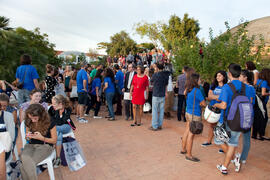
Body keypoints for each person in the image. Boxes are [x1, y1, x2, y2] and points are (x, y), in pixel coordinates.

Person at [214, 64, 253, 175]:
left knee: (218, 140)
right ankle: (228, 163)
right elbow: (250, 101)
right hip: (241, 120)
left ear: (229, 74)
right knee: (232, 143)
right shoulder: (247, 87)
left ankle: (230, 161)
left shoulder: (227, 87)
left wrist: (216, 105)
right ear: (239, 73)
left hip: (228, 119)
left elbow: (224, 105)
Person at [20, 104, 57, 180]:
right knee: (24, 158)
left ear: (41, 116)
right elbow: (27, 137)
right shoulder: (28, 120)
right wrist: (28, 137)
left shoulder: (50, 121)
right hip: (31, 145)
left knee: (25, 164)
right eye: (31, 118)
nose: (32, 120)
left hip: (46, 146)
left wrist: (42, 138)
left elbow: (54, 140)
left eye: (35, 118)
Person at [181, 73, 206, 162]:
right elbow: (203, 103)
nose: (200, 81)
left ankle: (183, 149)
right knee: (191, 135)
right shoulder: (197, 91)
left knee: (187, 131)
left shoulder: (188, 90)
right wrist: (201, 104)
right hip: (195, 115)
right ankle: (189, 155)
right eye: (199, 79)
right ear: (196, 80)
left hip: (188, 113)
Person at [201, 71, 227, 147]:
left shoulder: (226, 86)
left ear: (224, 77)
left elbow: (225, 98)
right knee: (212, 125)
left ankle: (223, 146)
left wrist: (215, 96)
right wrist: (219, 97)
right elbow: (209, 97)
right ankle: (209, 141)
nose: (218, 77)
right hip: (213, 109)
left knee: (222, 127)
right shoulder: (213, 86)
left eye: (220, 75)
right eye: (217, 76)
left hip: (222, 109)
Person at [237, 69, 255, 168]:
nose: (239, 77)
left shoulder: (248, 88)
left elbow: (250, 102)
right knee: (244, 136)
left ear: (245, 77)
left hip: (244, 114)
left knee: (245, 137)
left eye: (240, 76)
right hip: (244, 114)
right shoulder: (245, 87)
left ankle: (241, 158)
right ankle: (242, 158)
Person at [50, 95, 73, 168]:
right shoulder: (52, 109)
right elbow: (51, 120)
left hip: (66, 126)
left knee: (55, 129)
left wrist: (58, 111)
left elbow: (62, 121)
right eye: (52, 103)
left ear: (60, 104)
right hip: (56, 128)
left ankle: (53, 154)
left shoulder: (67, 109)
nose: (52, 105)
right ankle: (58, 157)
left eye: (54, 104)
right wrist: (56, 110)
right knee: (57, 134)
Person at [149, 64, 169, 131]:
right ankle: (160, 125)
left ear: (157, 68)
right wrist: (166, 92)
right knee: (161, 110)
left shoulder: (155, 74)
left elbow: (151, 81)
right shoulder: (166, 75)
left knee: (155, 110)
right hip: (162, 94)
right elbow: (166, 85)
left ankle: (154, 126)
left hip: (156, 94)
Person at [253, 68, 270, 140]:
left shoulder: (258, 81)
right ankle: (260, 134)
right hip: (261, 101)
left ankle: (254, 134)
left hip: (256, 100)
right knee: (263, 117)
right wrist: (269, 93)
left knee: (257, 117)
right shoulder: (265, 82)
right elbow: (263, 93)